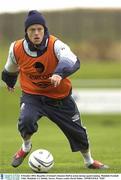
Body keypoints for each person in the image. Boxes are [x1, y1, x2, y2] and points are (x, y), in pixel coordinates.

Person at [1, 10, 108, 169]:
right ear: (26, 32)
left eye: (39, 29)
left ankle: (89, 161)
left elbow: (70, 59)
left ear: (44, 30)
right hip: (33, 96)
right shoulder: (15, 48)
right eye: (32, 30)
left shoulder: (56, 44)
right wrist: (10, 81)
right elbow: (10, 67)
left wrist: (59, 73)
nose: (36, 33)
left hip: (60, 98)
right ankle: (25, 148)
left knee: (78, 134)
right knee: (26, 121)